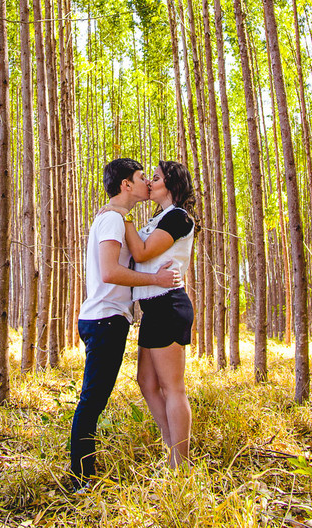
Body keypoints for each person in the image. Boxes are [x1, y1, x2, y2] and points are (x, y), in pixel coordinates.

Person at [69, 158, 181, 486]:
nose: (148, 181)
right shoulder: (112, 220)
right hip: (105, 321)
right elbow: (109, 271)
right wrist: (155, 282)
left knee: (94, 399)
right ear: (126, 185)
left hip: (105, 319)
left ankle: (83, 473)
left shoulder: (117, 218)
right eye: (142, 177)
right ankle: (80, 478)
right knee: (92, 401)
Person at [107, 160, 196, 469]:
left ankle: (180, 464)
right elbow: (136, 256)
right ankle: (171, 444)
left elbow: (143, 252)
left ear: (170, 185)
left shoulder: (179, 218)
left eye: (155, 178)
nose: (150, 182)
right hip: (153, 307)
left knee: (173, 387)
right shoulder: (159, 218)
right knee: (145, 381)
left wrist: (124, 218)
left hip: (169, 304)